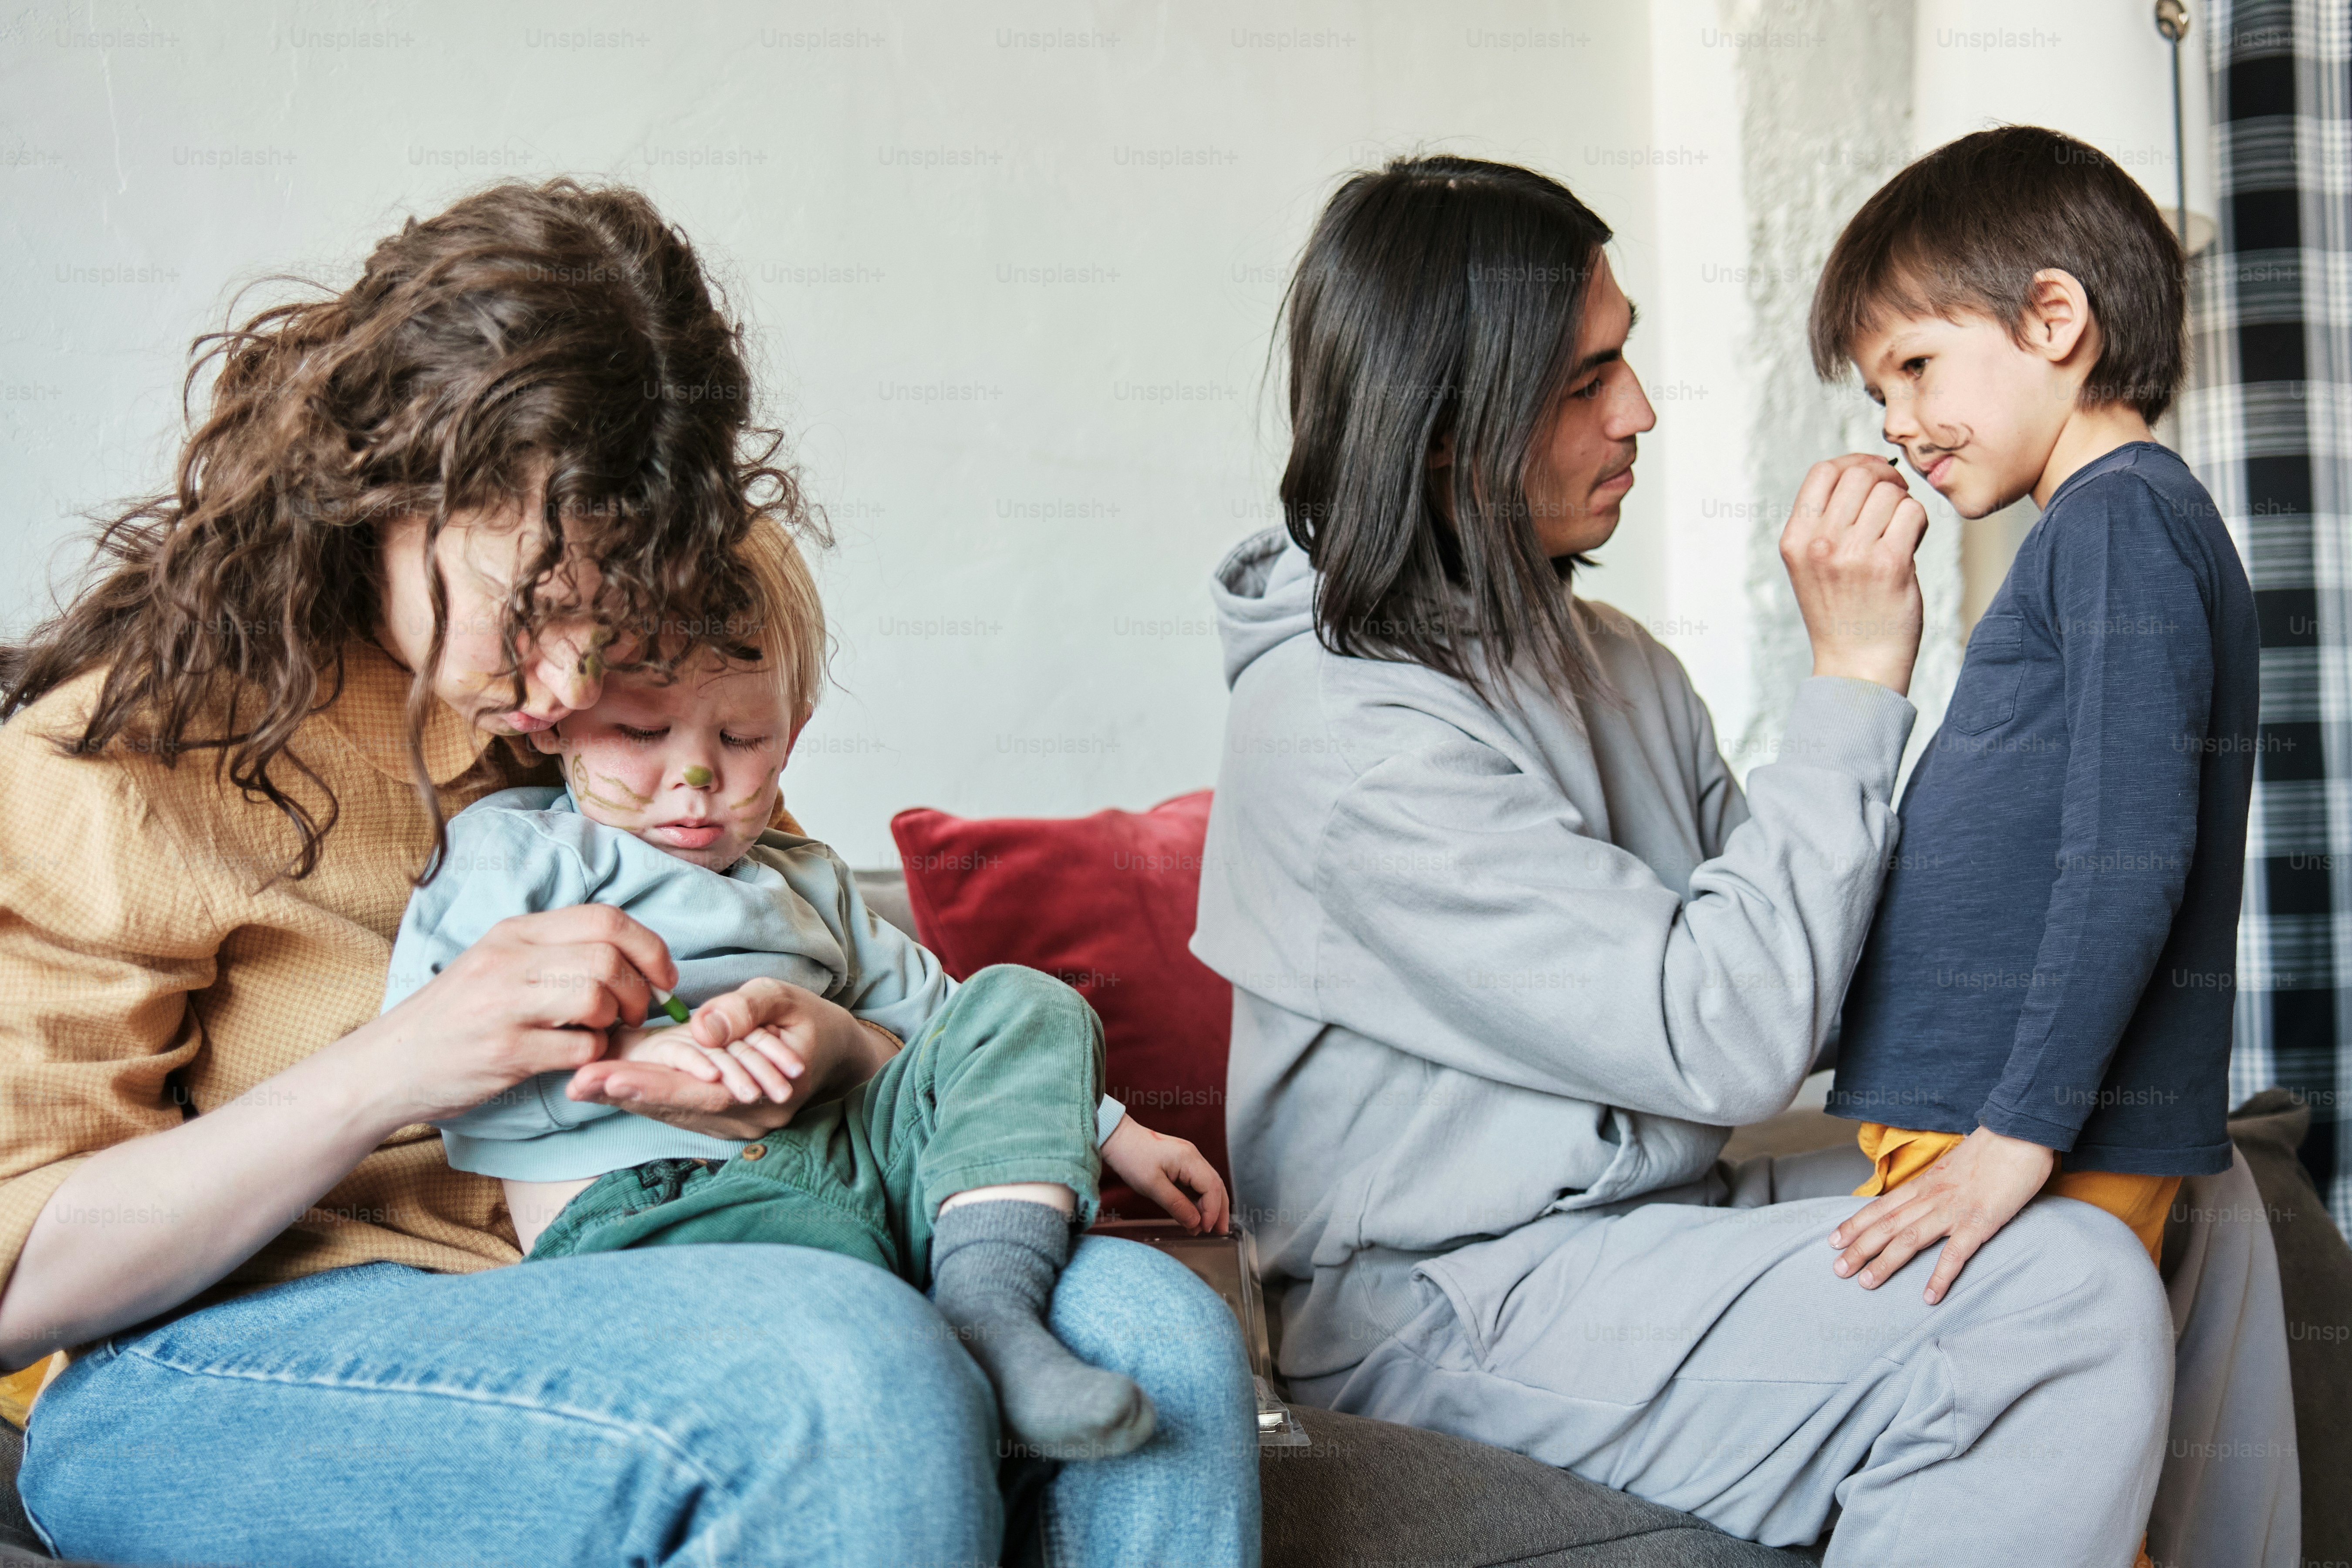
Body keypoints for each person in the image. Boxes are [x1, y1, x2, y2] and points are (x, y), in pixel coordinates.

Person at [0, 178, 1258, 1566]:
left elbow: (815, 968)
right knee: (842, 1364)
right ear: (380, 490)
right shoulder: (116, 761)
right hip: (220, 1356)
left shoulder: (618, 715)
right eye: (528, 611)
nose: (561, 685)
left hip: (636, 1267)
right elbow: (18, 1283)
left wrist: (834, 1044)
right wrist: (398, 1065)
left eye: (602, 618)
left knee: (1167, 1340)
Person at [1193, 153, 2288, 1565]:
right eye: (1587, 380)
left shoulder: (1619, 670)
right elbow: (1725, 1037)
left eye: (1627, 358)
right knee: (2058, 1289)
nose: (1640, 409)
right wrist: (1854, 683)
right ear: (1455, 425)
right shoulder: (1339, 739)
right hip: (1454, 1301)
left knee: (2198, 1187)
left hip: (1669, 1214)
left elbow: (1809, 979)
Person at [389, 515, 1231, 1457]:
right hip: (660, 1204)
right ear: (554, 722)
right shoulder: (514, 856)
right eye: (641, 729)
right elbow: (428, 1044)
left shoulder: (807, 880)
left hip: (860, 1163)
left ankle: (991, 1315)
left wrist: (1115, 1128)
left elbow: (945, 1021)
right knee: (844, 1334)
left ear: (792, 740)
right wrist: (628, 1048)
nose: (696, 778)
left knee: (1026, 1000)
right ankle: (936, 1377)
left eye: (742, 735)